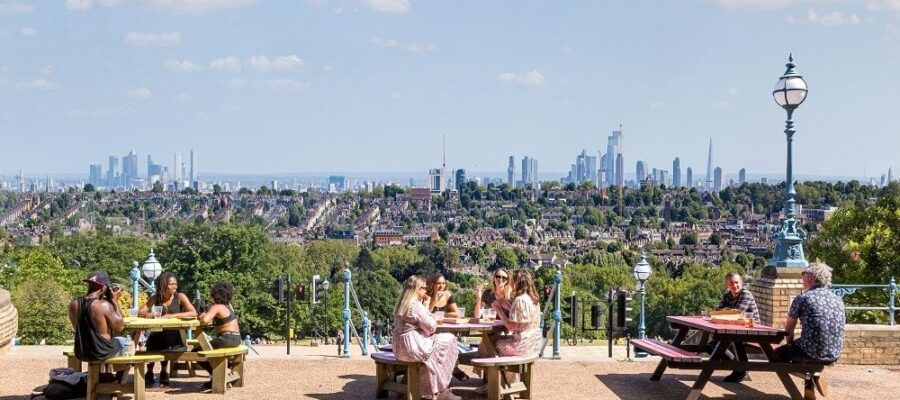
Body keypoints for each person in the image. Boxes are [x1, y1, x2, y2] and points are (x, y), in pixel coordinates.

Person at [392, 276, 460, 400]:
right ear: (417, 289)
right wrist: (428, 306)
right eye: (424, 288)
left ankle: (429, 389)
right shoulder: (415, 305)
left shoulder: (401, 303)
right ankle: (438, 388)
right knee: (449, 339)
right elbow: (431, 327)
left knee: (433, 351)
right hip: (412, 348)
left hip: (399, 349)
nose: (425, 291)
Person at [775, 263, 846, 364]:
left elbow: (789, 329)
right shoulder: (838, 299)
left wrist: (790, 344)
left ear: (810, 277)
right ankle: (811, 378)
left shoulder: (803, 298)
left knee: (778, 354)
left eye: (803, 273)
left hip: (810, 352)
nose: (802, 276)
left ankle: (804, 377)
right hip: (834, 354)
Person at [138, 272, 197, 387]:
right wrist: (150, 314)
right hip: (158, 332)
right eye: (171, 284)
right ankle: (149, 372)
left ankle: (164, 372)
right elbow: (141, 312)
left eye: (175, 284)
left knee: (164, 341)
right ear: (163, 284)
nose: (174, 286)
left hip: (175, 334)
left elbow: (193, 312)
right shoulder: (156, 297)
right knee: (153, 338)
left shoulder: (180, 297)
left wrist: (173, 315)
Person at [68, 271, 127, 362]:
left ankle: (106, 375)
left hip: (81, 352)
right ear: (104, 287)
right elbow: (120, 327)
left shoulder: (74, 304)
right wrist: (114, 301)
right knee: (126, 342)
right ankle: (119, 376)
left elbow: (78, 329)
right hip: (102, 353)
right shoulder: (103, 305)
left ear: (88, 285)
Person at [197, 282, 242, 390]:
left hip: (226, 338)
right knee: (208, 348)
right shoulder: (228, 306)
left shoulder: (216, 306)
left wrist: (203, 315)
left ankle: (218, 375)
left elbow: (205, 320)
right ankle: (221, 372)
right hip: (236, 338)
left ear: (215, 295)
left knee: (196, 351)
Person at [716, 272, 760, 383]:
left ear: (741, 283)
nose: (734, 285)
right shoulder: (727, 295)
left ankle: (740, 370)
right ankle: (740, 368)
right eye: (731, 283)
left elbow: (737, 314)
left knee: (734, 341)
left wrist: (727, 312)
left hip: (753, 330)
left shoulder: (746, 294)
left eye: (736, 282)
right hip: (735, 329)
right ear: (727, 285)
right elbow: (717, 312)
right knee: (713, 345)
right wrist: (727, 312)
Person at [493, 269, 542, 357]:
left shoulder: (519, 300)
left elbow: (511, 327)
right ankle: (505, 371)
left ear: (516, 283)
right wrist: (508, 306)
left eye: (512, 280)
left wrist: (498, 310)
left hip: (520, 347)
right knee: (494, 342)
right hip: (532, 346)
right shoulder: (533, 300)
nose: (510, 283)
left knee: (489, 344)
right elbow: (523, 319)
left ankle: (495, 370)